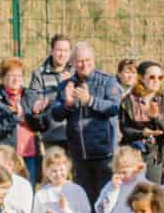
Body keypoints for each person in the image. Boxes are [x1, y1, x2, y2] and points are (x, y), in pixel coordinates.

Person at [43, 42, 123, 204]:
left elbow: (114, 108)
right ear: (72, 63)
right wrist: (68, 105)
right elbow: (56, 115)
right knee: (85, 201)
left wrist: (90, 101)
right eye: (79, 61)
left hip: (104, 154)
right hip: (79, 154)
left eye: (87, 60)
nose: (84, 64)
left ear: (94, 60)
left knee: (107, 201)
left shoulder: (108, 82)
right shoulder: (66, 85)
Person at [0, 57, 40, 184]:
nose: (16, 79)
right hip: (7, 155)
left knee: (28, 189)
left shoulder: (30, 95)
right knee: (6, 187)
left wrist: (39, 114)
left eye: (19, 75)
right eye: (11, 75)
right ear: (3, 77)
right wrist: (15, 117)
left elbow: (41, 126)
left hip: (30, 153)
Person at [119, 58, 164, 168]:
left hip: (155, 155)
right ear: (141, 78)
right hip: (131, 154)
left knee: (153, 185)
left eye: (160, 77)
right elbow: (124, 129)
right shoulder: (128, 101)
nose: (157, 80)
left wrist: (157, 118)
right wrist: (142, 133)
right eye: (152, 77)